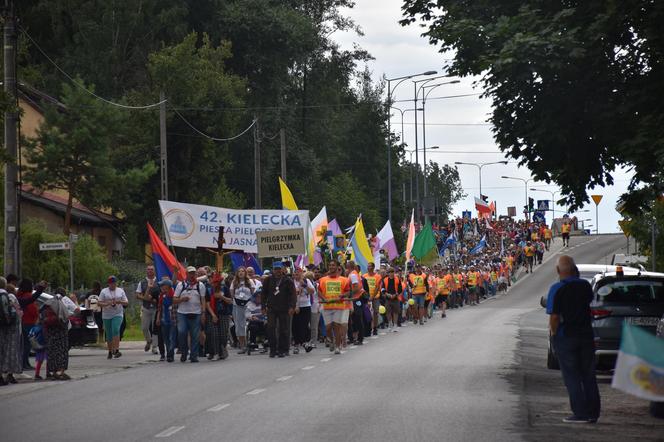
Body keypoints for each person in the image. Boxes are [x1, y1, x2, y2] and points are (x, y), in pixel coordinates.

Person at [546, 255, 600, 424]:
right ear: (574, 269)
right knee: (588, 375)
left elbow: (554, 317)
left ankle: (580, 413)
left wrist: (554, 335)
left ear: (558, 271)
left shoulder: (557, 289)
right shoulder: (585, 286)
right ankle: (593, 412)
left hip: (566, 336)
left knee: (572, 376)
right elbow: (590, 303)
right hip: (586, 335)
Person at [263, 262, 297, 358]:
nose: (277, 271)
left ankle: (283, 349)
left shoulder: (288, 280)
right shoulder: (268, 280)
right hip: (271, 308)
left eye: (279, 269)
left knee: (284, 329)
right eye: (275, 269)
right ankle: (273, 350)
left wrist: (292, 307)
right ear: (273, 270)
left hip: (284, 308)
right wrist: (262, 306)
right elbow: (263, 294)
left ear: (282, 269)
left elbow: (293, 295)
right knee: (271, 328)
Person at [173, 266, 206, 363]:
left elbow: (203, 300)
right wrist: (182, 299)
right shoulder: (181, 285)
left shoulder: (200, 285)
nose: (192, 275)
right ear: (186, 274)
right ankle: (184, 352)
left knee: (195, 335)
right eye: (190, 273)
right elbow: (174, 300)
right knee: (182, 332)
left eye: (193, 273)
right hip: (182, 313)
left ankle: (194, 356)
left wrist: (203, 313)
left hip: (196, 313)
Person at [318, 261, 351, 354]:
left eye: (333, 265)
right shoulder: (323, 279)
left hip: (339, 306)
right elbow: (319, 291)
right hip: (327, 306)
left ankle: (337, 346)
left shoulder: (344, 280)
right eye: (330, 265)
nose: (331, 266)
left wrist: (342, 295)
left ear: (337, 267)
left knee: (337, 326)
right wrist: (324, 298)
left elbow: (348, 292)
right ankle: (331, 341)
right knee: (328, 328)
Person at [0, 277, 23, 385]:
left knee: (4, 351)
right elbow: (17, 312)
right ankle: (9, 374)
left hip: (5, 328)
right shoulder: (10, 297)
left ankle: (6, 374)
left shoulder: (5, 296)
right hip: (11, 329)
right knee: (11, 352)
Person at [99, 276, 128, 359]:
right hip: (107, 314)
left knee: (116, 329)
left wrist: (119, 302)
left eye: (114, 283)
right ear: (108, 284)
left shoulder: (120, 291)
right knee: (109, 333)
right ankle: (110, 351)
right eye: (111, 283)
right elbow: (99, 303)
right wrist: (107, 304)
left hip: (117, 313)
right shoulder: (104, 291)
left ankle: (116, 350)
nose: (113, 285)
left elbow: (126, 303)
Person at [16, 278, 42, 370]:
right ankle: (24, 363)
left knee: (25, 344)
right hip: (29, 322)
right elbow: (32, 310)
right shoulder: (27, 296)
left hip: (24, 321)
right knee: (27, 344)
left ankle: (25, 362)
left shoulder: (20, 295)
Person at [230, 267, 255, 355]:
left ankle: (250, 343)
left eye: (242, 271)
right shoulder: (234, 282)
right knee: (239, 325)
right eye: (239, 271)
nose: (241, 273)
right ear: (237, 273)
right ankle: (242, 345)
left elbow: (253, 293)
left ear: (245, 273)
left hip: (248, 305)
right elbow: (232, 294)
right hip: (237, 305)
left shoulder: (249, 282)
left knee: (249, 324)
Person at [135, 265, 159, 354]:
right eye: (148, 269)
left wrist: (155, 300)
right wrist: (145, 298)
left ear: (154, 271)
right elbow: (137, 295)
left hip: (156, 308)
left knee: (155, 328)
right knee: (144, 327)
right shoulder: (142, 282)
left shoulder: (159, 281)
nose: (150, 271)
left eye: (151, 269)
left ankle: (155, 347)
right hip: (146, 307)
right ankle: (149, 340)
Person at [292, 267, 314, 354]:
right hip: (295, 307)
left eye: (297, 274)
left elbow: (312, 291)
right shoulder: (291, 282)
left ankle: (305, 343)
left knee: (304, 325)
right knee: (295, 326)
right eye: (294, 274)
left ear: (301, 274)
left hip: (305, 306)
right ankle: (297, 344)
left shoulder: (306, 281)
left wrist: (304, 285)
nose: (296, 275)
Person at [363, 263, 382, 336]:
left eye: (370, 266)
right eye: (368, 266)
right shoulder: (364, 276)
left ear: (373, 267)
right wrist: (367, 297)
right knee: (367, 313)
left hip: (375, 297)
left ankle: (375, 328)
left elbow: (377, 288)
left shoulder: (378, 276)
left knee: (375, 312)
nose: (368, 267)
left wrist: (372, 297)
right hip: (367, 297)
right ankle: (368, 328)